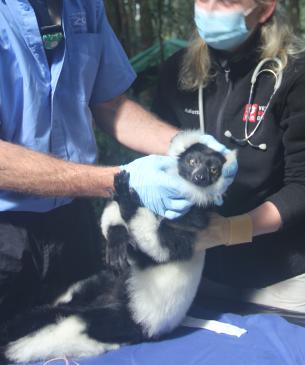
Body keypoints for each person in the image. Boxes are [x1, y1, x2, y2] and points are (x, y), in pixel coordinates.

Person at [0, 0, 237, 323]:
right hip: (6, 231)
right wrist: (118, 181)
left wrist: (188, 147)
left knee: (72, 342)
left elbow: (111, 106)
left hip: (73, 223)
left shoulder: (86, 6)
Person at [152, 0, 305, 313]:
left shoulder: (295, 75)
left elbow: (302, 185)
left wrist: (230, 231)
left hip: (279, 279)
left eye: (226, 1)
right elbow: (157, 161)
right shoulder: (176, 71)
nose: (209, 8)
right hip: (193, 272)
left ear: (264, 10)